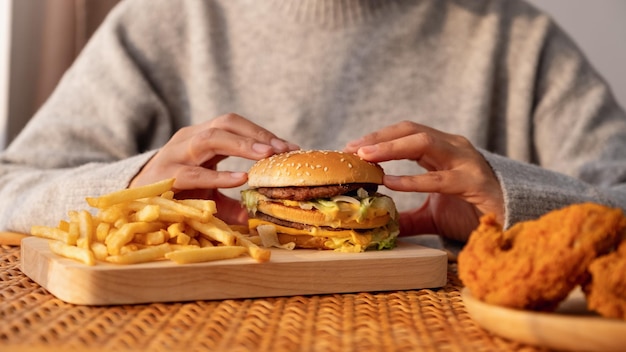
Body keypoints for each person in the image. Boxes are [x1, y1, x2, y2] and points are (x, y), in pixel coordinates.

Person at [1, 0, 625, 245]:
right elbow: (9, 188)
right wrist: (135, 183)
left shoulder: (519, 38)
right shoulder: (161, 22)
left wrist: (512, 200)